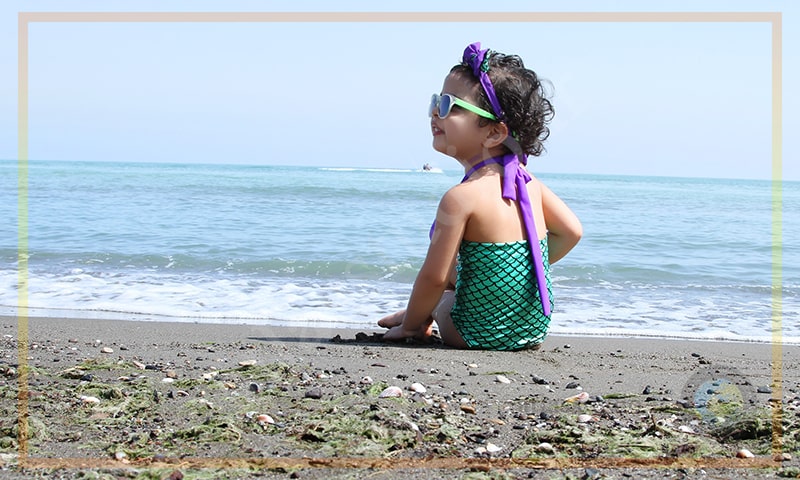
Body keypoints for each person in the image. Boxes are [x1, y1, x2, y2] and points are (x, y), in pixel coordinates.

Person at [377, 42, 582, 351]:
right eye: (436, 101)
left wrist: (409, 329)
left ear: (494, 133)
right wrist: (512, 271)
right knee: (465, 269)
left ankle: (414, 317)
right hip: (533, 328)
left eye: (450, 105)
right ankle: (419, 312)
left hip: (472, 332)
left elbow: (434, 278)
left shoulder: (460, 198)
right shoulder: (529, 184)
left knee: (443, 293)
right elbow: (571, 233)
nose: (436, 112)